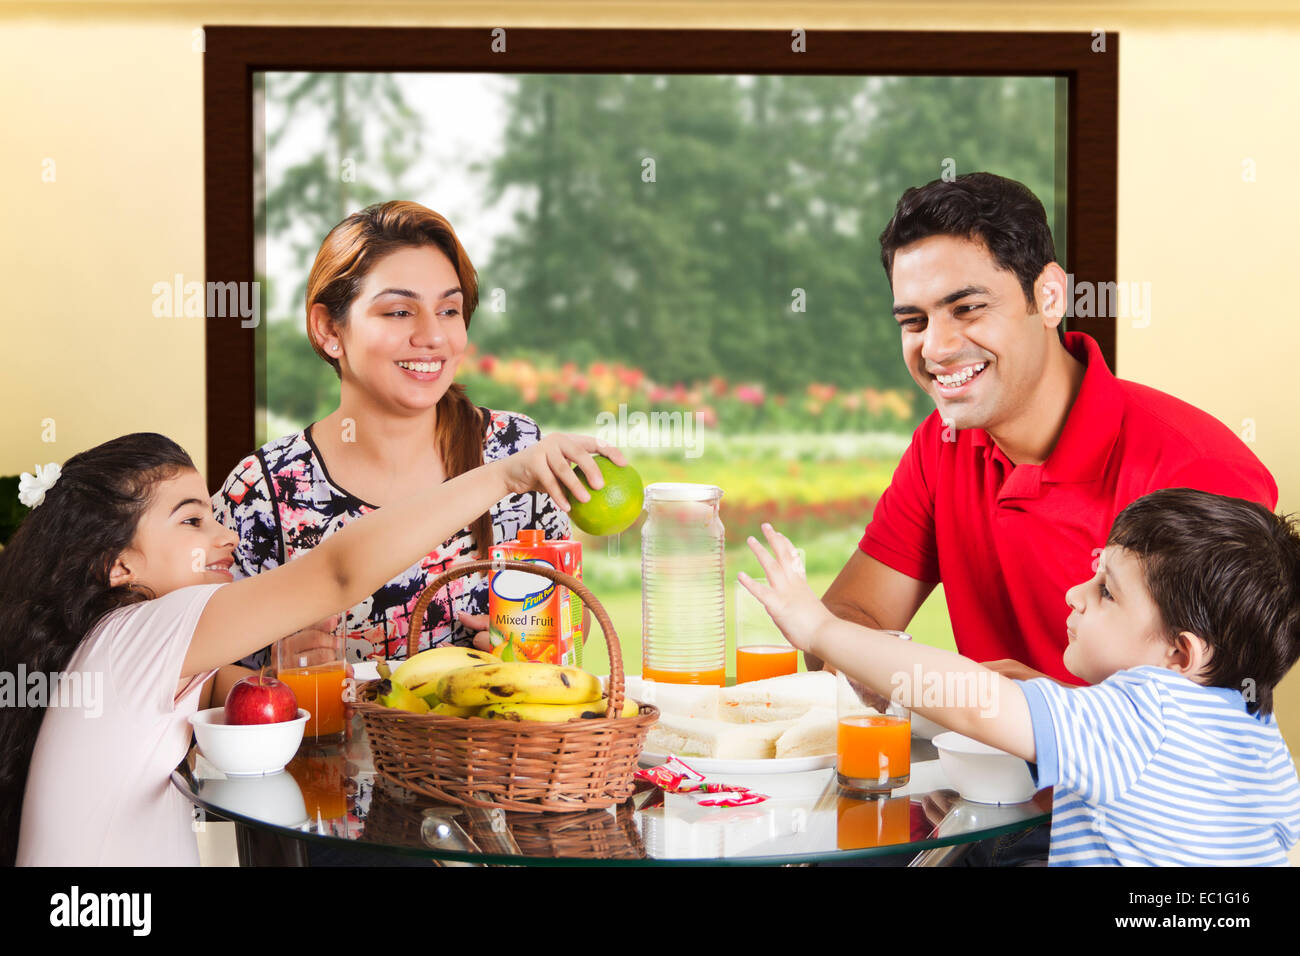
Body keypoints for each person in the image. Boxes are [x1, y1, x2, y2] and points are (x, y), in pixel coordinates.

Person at [0, 430, 620, 866]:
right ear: (117, 564)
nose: (224, 538)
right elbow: (337, 574)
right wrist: (507, 473)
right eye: (192, 522)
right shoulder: (151, 624)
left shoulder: (119, 643)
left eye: (216, 516)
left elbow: (242, 692)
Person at [820, 172, 1277, 690]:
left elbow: (1211, 721)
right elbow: (847, 622)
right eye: (914, 321)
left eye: (967, 308)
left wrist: (1029, 710)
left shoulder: (1196, 470)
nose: (937, 348)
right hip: (986, 769)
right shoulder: (941, 443)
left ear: (1051, 296)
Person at [742, 486, 1300, 866]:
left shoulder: (1145, 711)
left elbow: (969, 699)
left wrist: (820, 629)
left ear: (1180, 655)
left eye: (1106, 592)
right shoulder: (1256, 727)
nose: (1075, 596)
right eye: (1094, 572)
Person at [213, 201, 570, 667]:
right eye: (399, 312)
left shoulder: (518, 450)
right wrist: (268, 672)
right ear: (328, 330)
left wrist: (536, 652)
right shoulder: (262, 493)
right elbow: (190, 680)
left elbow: (567, 636)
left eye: (449, 310)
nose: (432, 336)